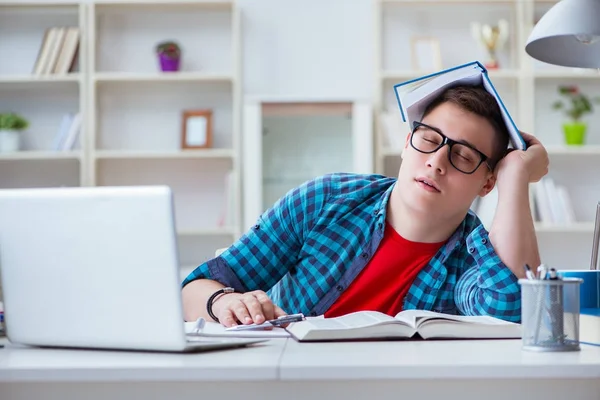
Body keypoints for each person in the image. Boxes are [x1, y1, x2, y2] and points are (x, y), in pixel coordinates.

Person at [181, 84, 549, 327]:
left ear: (487, 181)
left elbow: (514, 313)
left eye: (463, 156)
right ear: (407, 143)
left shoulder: (473, 256)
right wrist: (221, 303)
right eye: (428, 140)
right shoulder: (326, 200)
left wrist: (515, 175)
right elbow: (193, 290)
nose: (437, 162)